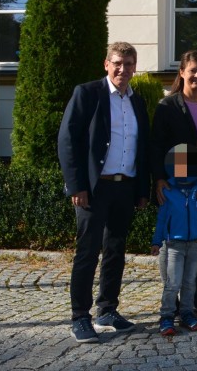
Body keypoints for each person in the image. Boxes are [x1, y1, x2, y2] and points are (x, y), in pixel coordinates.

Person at [59, 42, 151, 343]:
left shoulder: (137, 101)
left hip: (124, 186)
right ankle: (80, 317)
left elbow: (143, 148)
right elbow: (68, 140)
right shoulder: (88, 94)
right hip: (94, 189)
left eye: (129, 63)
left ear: (135, 66)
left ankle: (108, 310)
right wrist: (77, 185)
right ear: (106, 64)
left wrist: (141, 190)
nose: (123, 69)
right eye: (118, 63)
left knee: (116, 251)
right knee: (87, 252)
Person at [151, 50, 197, 317]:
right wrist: (158, 179)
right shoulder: (168, 106)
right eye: (193, 70)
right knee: (172, 242)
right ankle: (172, 296)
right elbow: (155, 147)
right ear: (182, 73)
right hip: (174, 183)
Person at [151, 144, 197, 336]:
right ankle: (167, 315)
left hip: (196, 243)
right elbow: (162, 219)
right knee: (173, 282)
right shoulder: (168, 191)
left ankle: (187, 312)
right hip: (174, 245)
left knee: (190, 282)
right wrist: (156, 240)